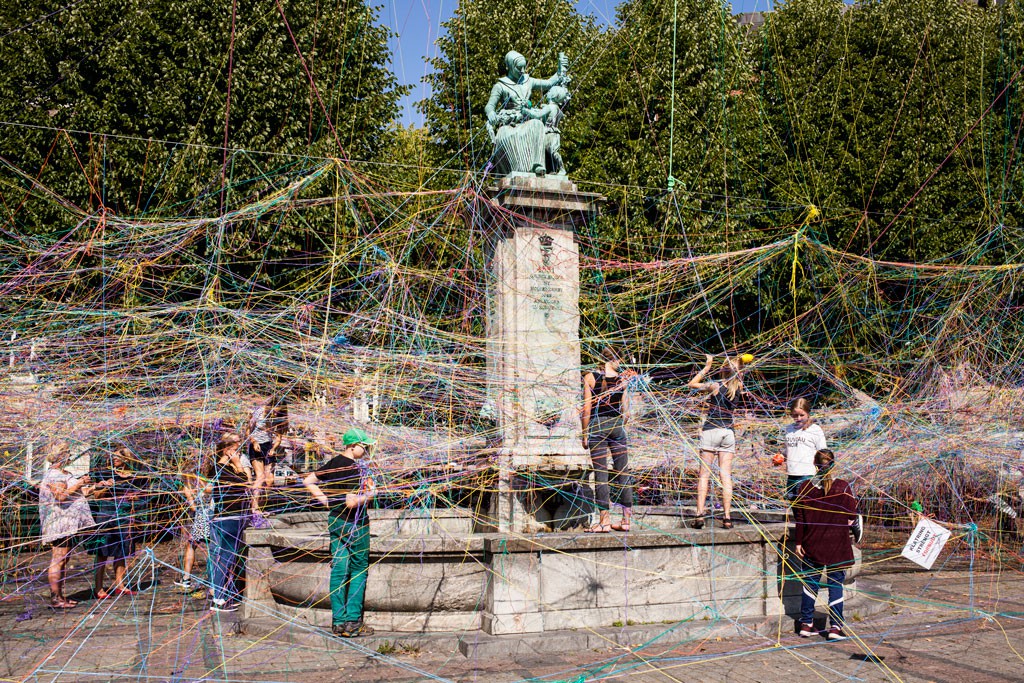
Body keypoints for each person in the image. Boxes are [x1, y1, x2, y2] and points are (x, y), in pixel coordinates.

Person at [302, 428, 376, 637]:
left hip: (335, 521)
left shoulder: (333, 463)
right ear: (353, 446)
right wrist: (369, 495)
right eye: (365, 446)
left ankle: (338, 622)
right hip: (356, 524)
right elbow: (353, 502)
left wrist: (325, 500)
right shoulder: (356, 469)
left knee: (339, 569)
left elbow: (308, 481)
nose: (367, 450)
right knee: (359, 568)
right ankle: (353, 622)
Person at [793, 449, 859, 640]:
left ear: (815, 465)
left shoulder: (804, 487)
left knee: (810, 584)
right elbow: (851, 517)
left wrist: (798, 543)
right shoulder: (843, 487)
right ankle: (835, 628)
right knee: (835, 585)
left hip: (812, 543)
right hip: (837, 544)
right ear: (833, 464)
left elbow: (800, 519)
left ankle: (806, 624)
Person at [484, 51, 568, 176]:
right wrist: (491, 113)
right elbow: (490, 106)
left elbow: (549, 83)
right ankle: (517, 170)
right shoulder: (500, 86)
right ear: (509, 67)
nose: (523, 70)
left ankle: (537, 166)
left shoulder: (528, 81)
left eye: (524, 67)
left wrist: (560, 69)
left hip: (527, 119)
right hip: (509, 124)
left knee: (537, 124)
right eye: (519, 68)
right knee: (505, 134)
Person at [687, 354, 746, 529]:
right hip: (728, 433)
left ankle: (699, 515)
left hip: (711, 431)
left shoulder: (714, 385)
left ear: (722, 369)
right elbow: (738, 375)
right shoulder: (739, 387)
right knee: (725, 476)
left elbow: (691, 384)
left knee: (704, 475)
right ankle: (727, 517)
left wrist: (707, 366)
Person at [582, 346, 633, 533]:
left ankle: (604, 522)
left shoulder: (589, 377)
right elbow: (626, 412)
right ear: (615, 360)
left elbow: (586, 410)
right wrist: (619, 425)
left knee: (601, 475)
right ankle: (626, 520)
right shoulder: (623, 380)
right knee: (623, 472)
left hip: (597, 426)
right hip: (617, 426)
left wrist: (584, 433)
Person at [39, 441, 95, 609]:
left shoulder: (62, 473)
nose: (70, 457)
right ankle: (56, 598)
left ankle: (61, 596)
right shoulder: (55, 475)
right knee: (58, 559)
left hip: (67, 523)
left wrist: (92, 487)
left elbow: (73, 493)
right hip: (60, 523)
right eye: (67, 454)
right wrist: (79, 483)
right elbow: (61, 497)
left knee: (64, 559)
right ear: (60, 456)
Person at [207, 433, 250, 612]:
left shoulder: (226, 468)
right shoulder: (221, 468)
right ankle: (217, 598)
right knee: (225, 558)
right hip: (228, 518)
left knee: (228, 557)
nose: (238, 452)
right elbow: (244, 482)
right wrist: (238, 464)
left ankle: (224, 594)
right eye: (236, 448)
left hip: (233, 517)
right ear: (226, 450)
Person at [90, 446, 138, 598]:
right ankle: (98, 588)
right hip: (106, 516)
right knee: (102, 553)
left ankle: (120, 585)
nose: (114, 459)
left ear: (127, 459)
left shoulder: (134, 477)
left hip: (124, 517)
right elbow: (96, 495)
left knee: (122, 552)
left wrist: (133, 497)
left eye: (117, 457)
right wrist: (106, 487)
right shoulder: (105, 474)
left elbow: (139, 495)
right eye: (113, 457)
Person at [174, 447, 211, 596]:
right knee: (209, 547)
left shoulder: (188, 484)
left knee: (193, 546)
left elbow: (193, 506)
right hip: (209, 516)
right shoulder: (206, 481)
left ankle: (186, 578)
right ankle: (211, 578)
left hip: (200, 516)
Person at [780, 398, 827, 501]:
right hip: (791, 475)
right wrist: (781, 456)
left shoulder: (815, 430)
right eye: (795, 415)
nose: (799, 418)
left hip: (807, 476)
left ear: (808, 413)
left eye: (802, 415)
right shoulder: (789, 429)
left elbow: (823, 453)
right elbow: (789, 450)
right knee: (794, 508)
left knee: (806, 509)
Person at [248, 396, 284, 521]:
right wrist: (253, 441)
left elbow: (279, 438)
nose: (275, 413)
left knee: (269, 481)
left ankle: (261, 508)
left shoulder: (279, 418)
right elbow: (248, 430)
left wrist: (274, 448)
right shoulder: (258, 412)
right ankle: (254, 508)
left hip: (268, 446)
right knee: (260, 477)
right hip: (256, 445)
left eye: (277, 412)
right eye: (274, 410)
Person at [522, 86, 570, 177]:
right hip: (554, 132)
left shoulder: (550, 107)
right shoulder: (557, 108)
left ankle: (562, 169)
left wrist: (525, 110)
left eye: (550, 91)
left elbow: (537, 115)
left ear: (554, 95)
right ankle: (552, 170)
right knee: (549, 153)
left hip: (548, 133)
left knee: (553, 152)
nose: (548, 92)